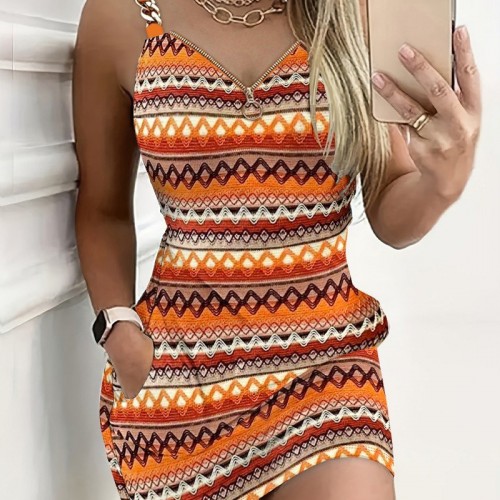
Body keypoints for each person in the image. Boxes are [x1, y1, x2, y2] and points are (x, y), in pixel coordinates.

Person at [72, 0, 481, 499]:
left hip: (328, 367)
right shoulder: (121, 15)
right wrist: (120, 331)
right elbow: (102, 209)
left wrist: (441, 183)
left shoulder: (354, 13)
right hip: (180, 379)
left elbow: (390, 212)